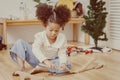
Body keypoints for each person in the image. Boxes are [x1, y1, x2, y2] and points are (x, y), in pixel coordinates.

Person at [10, 3, 71, 75]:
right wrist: (45, 61)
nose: (54, 33)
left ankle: (42, 69)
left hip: (53, 62)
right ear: (45, 26)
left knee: (67, 65)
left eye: (56, 30)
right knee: (19, 42)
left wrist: (63, 64)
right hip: (38, 60)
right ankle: (22, 68)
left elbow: (62, 53)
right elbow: (35, 49)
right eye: (51, 30)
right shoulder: (40, 36)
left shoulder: (62, 38)